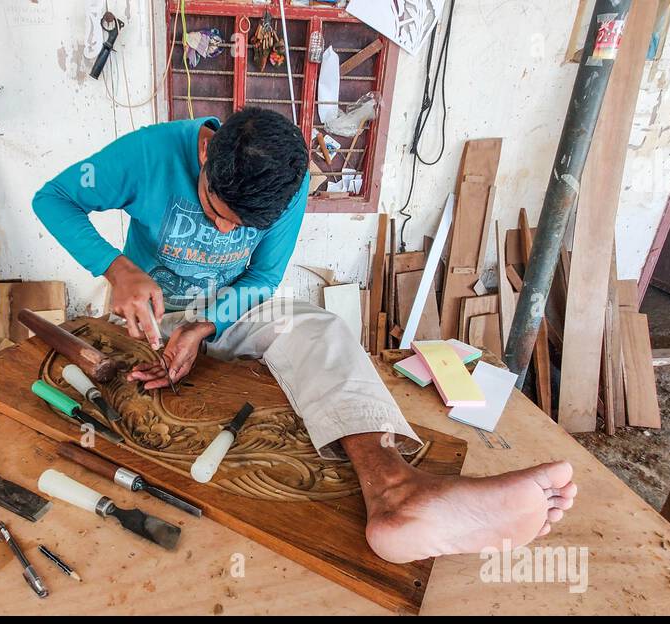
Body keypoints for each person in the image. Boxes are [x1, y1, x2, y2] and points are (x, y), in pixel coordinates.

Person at [34, 107, 576, 563]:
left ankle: (394, 488)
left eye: (241, 227)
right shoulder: (150, 153)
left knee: (320, 329)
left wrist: (206, 325)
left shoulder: (288, 187)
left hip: (226, 308)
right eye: (216, 211)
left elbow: (264, 278)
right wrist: (115, 266)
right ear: (206, 155)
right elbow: (53, 198)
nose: (225, 231)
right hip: (149, 310)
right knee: (121, 395)